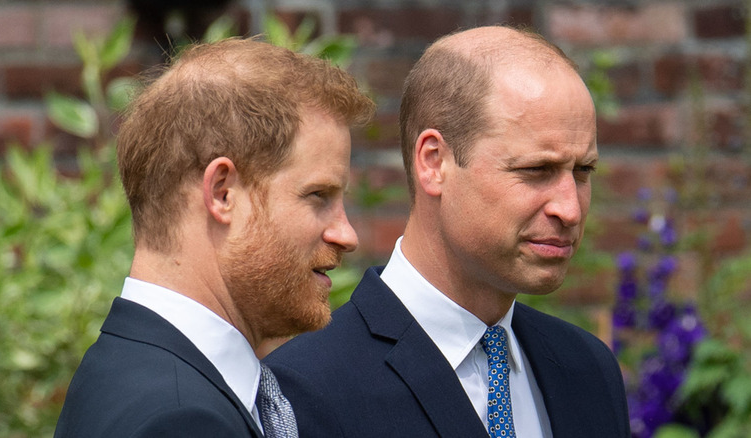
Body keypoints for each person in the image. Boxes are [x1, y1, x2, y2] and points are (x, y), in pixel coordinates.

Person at [265, 26, 631, 438]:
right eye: (536, 170)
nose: (568, 208)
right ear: (434, 162)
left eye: (582, 171)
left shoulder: (588, 370)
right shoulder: (304, 391)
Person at [54, 37, 375, 437]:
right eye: (318, 195)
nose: (346, 235)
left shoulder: (130, 370)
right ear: (222, 193)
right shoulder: (180, 420)